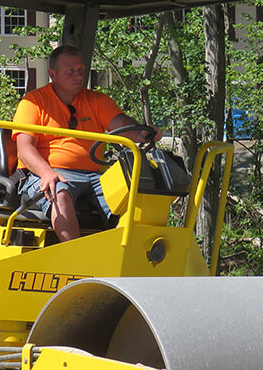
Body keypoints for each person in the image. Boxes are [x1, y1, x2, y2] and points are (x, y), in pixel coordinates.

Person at [12, 45, 160, 242]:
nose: (78, 75)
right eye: (71, 71)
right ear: (53, 75)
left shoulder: (97, 100)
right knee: (59, 191)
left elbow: (122, 124)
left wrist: (143, 132)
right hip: (50, 172)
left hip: (96, 175)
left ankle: (131, 254)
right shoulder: (33, 102)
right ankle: (75, 259)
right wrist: (47, 173)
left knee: (133, 194)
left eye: (81, 70)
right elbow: (24, 149)